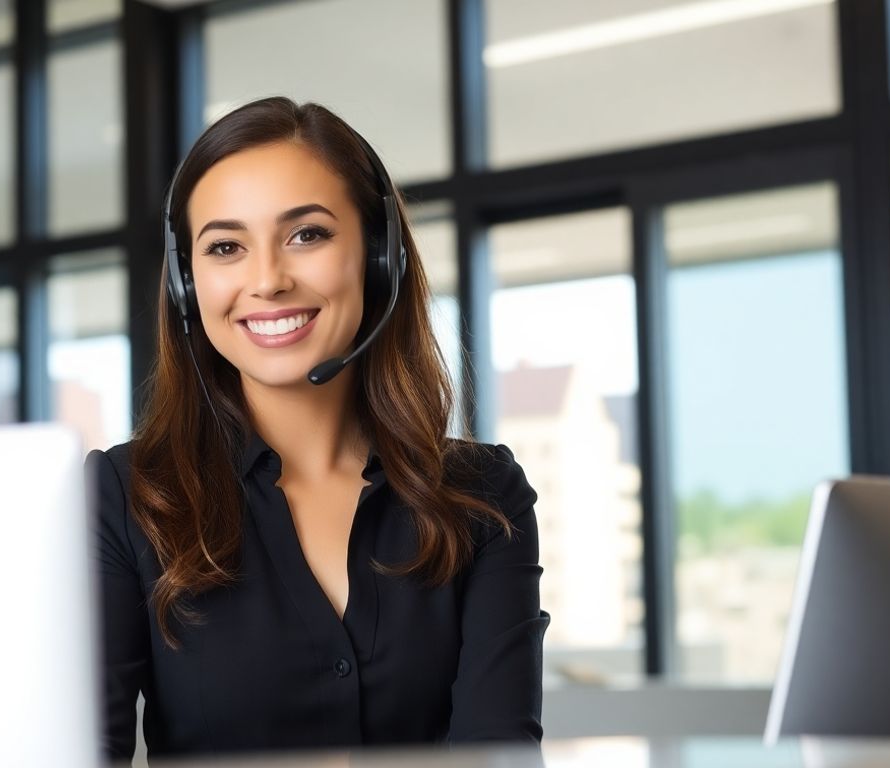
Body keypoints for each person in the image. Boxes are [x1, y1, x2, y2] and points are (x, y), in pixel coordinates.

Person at [85, 97, 549, 761]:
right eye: (225, 247)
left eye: (307, 235)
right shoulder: (124, 497)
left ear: (379, 256)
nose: (268, 280)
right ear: (189, 285)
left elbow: (498, 755)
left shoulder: (483, 496)